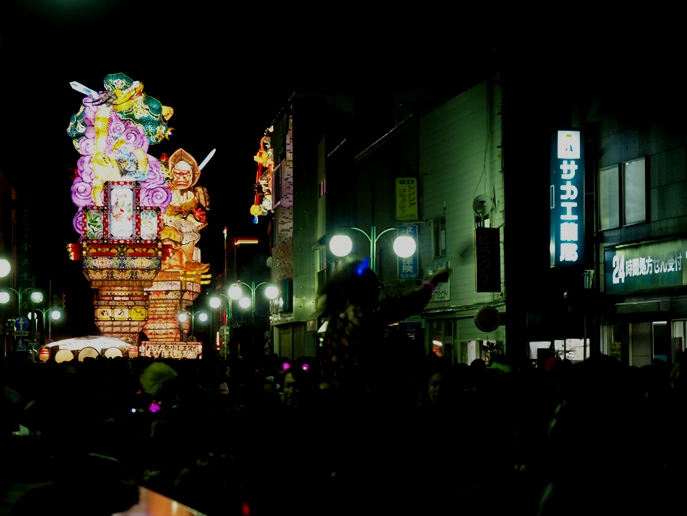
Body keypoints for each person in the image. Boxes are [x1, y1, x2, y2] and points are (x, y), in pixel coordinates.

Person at [318, 258, 450, 395]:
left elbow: (325, 363)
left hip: (337, 397)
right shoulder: (372, 314)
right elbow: (412, 302)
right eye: (377, 287)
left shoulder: (336, 320)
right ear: (369, 290)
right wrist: (434, 281)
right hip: (366, 394)